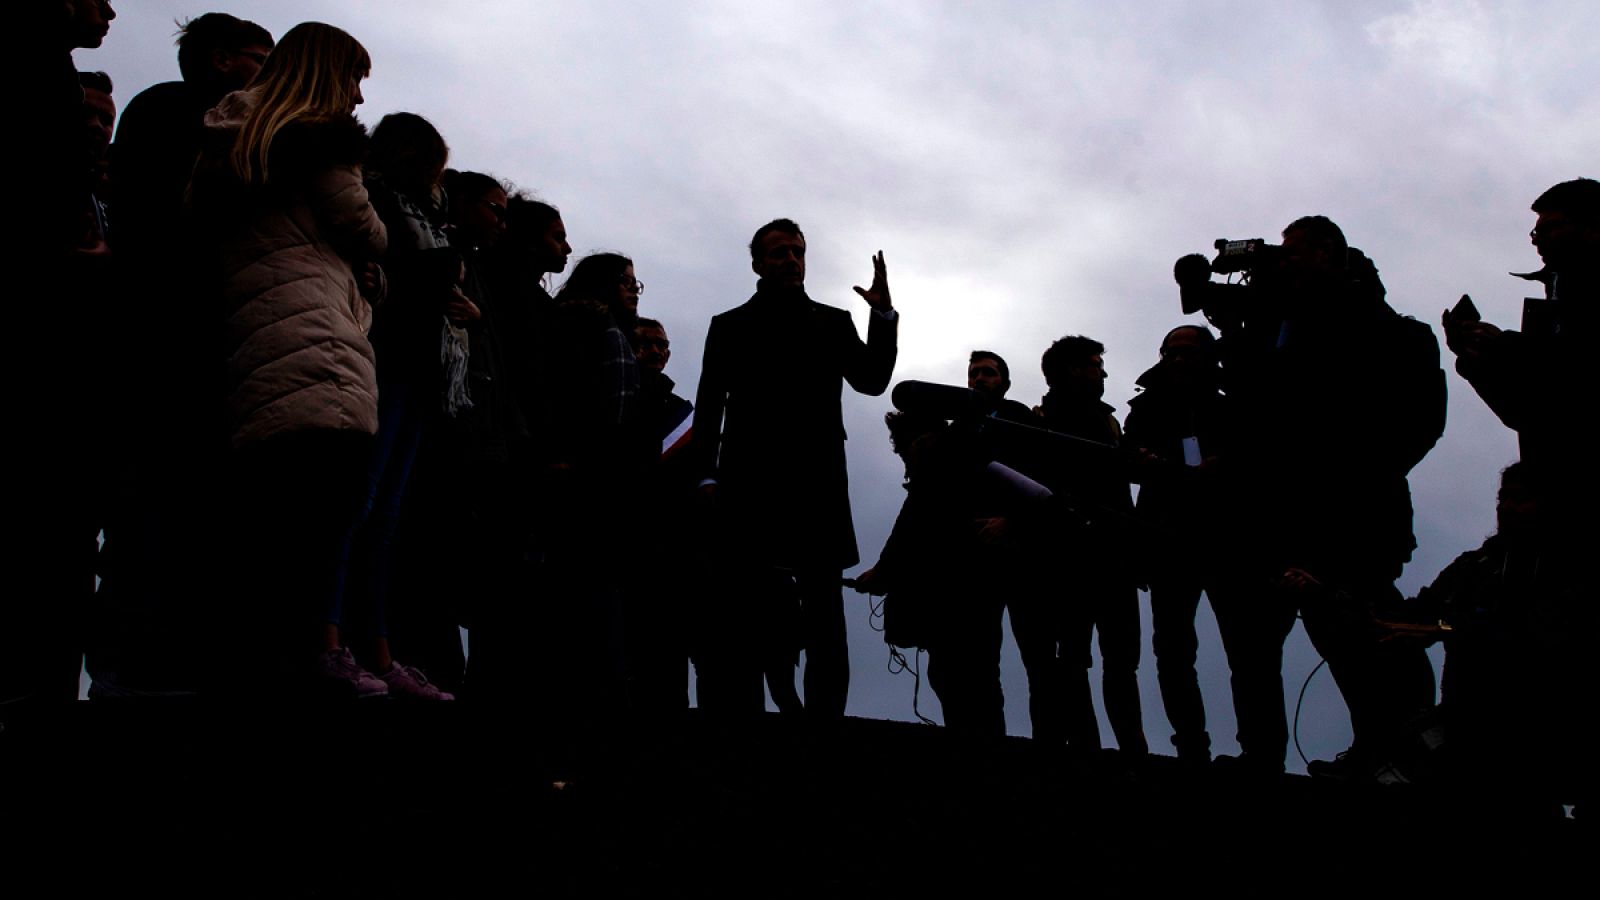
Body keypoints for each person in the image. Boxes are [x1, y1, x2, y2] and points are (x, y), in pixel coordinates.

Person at [188, 21, 387, 698]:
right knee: (324, 515)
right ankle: (313, 666)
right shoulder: (320, 142)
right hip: (317, 342)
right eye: (354, 78)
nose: (359, 97)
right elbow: (367, 229)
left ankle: (266, 673)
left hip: (257, 342)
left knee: (269, 527)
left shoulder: (232, 137)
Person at [1216, 216, 1446, 778]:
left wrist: (1359, 475)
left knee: (1354, 636)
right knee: (1256, 643)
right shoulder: (1279, 326)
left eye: (1293, 253)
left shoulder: (1391, 333)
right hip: (1275, 515)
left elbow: (1420, 422)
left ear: (1327, 254)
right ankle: (1265, 757)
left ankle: (1388, 752)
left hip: (1353, 518)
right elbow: (1250, 405)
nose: (1282, 263)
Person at [691, 218, 898, 715]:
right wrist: (706, 475)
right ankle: (744, 719)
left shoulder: (833, 322)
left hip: (817, 485)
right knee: (746, 611)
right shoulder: (729, 325)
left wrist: (882, 313)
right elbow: (709, 407)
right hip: (749, 484)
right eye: (779, 252)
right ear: (758, 264)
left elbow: (872, 380)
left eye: (797, 252)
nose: (791, 260)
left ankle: (824, 727)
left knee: (825, 614)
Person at [1124, 325, 1295, 771]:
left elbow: (1261, 456)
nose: (1179, 360)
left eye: (1188, 352)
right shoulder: (1146, 408)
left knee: (1247, 651)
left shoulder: (1235, 403)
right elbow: (1127, 458)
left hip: (1229, 540)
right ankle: (1192, 748)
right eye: (1172, 352)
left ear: (1207, 356)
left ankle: (1261, 754)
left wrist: (1227, 466)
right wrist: (1147, 462)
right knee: (1173, 652)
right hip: (1168, 538)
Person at [1014, 335, 1147, 758]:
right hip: (1073, 556)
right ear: (1072, 369)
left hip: (1110, 553)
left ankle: (1124, 752)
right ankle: (1102, 751)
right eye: (1095, 364)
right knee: (1083, 658)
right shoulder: (1041, 423)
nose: (1102, 372)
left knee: (1107, 660)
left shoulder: (1106, 421)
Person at [967, 350, 1036, 424]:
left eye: (988, 373)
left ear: (1005, 385)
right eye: (973, 374)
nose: (979, 378)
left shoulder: (1022, 416)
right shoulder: (960, 416)